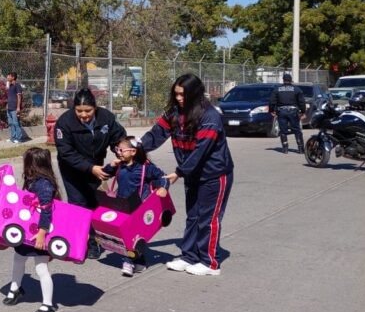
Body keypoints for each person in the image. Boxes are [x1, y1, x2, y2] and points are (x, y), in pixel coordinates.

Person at [139, 74, 234, 276]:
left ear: (194, 94)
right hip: (193, 174)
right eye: (176, 94)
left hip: (214, 175)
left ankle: (209, 262)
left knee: (208, 218)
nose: (179, 98)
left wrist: (178, 173)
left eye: (183, 95)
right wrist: (135, 147)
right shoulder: (174, 113)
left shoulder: (210, 117)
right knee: (193, 216)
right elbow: (156, 134)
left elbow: (201, 151)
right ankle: (189, 256)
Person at [54, 87, 127, 259]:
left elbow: (118, 139)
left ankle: (95, 240)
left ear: (95, 108)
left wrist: (122, 154)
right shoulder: (64, 123)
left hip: (97, 168)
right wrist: (90, 168)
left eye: (88, 110)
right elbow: (66, 152)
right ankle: (82, 243)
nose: (84, 115)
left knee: (95, 204)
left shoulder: (107, 118)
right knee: (78, 204)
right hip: (72, 169)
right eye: (79, 111)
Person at [101, 136, 170, 276]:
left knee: (133, 235)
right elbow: (105, 174)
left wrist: (163, 188)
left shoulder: (146, 167)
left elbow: (162, 177)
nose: (118, 152)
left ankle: (127, 261)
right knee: (130, 235)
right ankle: (140, 261)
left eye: (121, 150)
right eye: (116, 149)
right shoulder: (120, 165)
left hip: (139, 206)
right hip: (121, 205)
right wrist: (111, 166)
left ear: (133, 151)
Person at [3, 147, 58, 312]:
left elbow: (46, 211)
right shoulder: (31, 180)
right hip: (27, 231)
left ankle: (48, 304)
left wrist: (42, 233)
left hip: (37, 233)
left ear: (33, 165)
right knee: (18, 259)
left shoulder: (44, 185)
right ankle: (15, 289)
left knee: (41, 268)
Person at [269, 73, 306, 154]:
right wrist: (303, 111)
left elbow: (272, 101)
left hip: (281, 111)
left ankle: (285, 148)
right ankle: (300, 148)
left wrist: (271, 110)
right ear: (290, 80)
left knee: (283, 130)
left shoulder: (277, 89)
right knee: (297, 130)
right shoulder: (296, 89)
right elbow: (302, 102)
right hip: (293, 111)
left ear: (283, 80)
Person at [5, 72, 25, 143]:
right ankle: (13, 138)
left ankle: (19, 138)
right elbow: (10, 96)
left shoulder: (17, 85)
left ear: (13, 77)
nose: (7, 77)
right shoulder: (10, 85)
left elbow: (19, 97)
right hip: (9, 108)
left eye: (9, 76)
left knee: (16, 123)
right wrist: (7, 104)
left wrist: (18, 108)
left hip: (15, 108)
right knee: (11, 123)